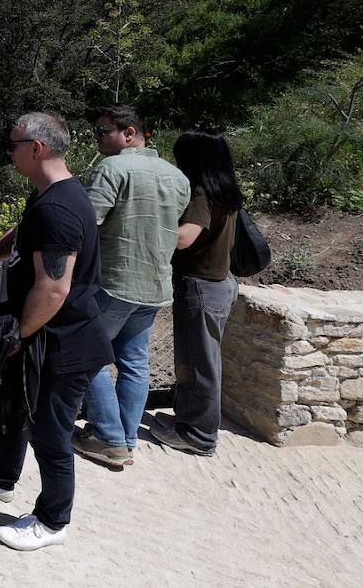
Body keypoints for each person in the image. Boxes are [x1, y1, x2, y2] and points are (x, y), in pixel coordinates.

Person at [0, 112, 114, 551]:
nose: (9, 152)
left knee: (50, 431)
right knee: (17, 409)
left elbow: (53, 287)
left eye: (13, 144)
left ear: (36, 148)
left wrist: (17, 335)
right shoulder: (48, 195)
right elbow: (24, 236)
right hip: (47, 335)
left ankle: (52, 520)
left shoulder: (58, 209)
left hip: (64, 342)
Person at [73, 106, 189, 469]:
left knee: (87, 356)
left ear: (129, 133)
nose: (96, 137)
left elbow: (86, 225)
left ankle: (109, 439)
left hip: (114, 282)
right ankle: (125, 438)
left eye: (102, 130)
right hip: (155, 284)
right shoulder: (177, 177)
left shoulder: (111, 169)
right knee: (135, 361)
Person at [149, 130, 243, 456]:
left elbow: (185, 237)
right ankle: (187, 421)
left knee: (198, 364)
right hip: (220, 283)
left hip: (201, 286)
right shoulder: (225, 190)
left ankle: (198, 436)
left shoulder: (201, 191)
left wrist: (146, 232)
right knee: (201, 361)